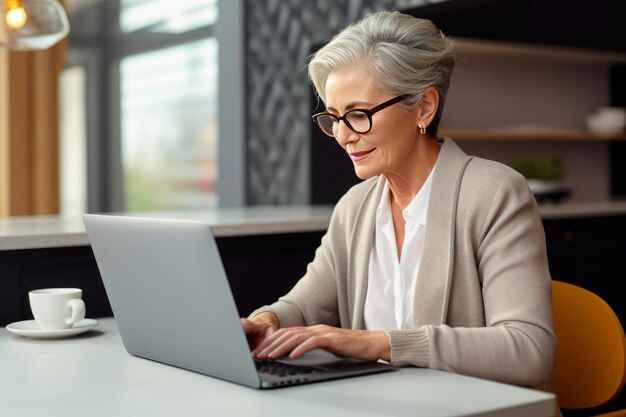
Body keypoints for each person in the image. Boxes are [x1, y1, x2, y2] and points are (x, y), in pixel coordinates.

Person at [241, 10, 556, 389]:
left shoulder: (494, 194)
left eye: (358, 114)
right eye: (334, 117)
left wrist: (377, 343)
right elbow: (303, 306)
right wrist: (264, 323)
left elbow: (528, 350)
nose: (343, 136)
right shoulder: (355, 208)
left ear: (424, 107)